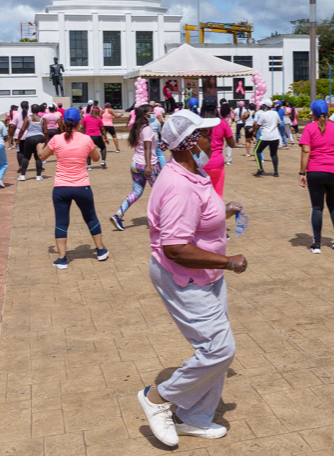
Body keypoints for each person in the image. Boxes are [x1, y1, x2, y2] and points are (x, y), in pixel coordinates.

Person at [138, 110, 246, 447]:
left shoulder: (191, 172)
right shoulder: (178, 186)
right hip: (184, 277)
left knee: (213, 348)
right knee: (218, 350)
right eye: (203, 134)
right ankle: (157, 398)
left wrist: (223, 211)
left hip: (206, 276)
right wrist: (228, 261)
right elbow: (175, 248)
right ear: (188, 142)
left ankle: (195, 417)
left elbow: (195, 218)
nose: (209, 139)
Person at [37, 107, 108, 267]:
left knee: (61, 222)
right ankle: (100, 250)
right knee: (91, 217)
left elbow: (42, 156)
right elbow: (96, 158)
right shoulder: (86, 139)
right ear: (80, 122)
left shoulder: (56, 139)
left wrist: (39, 148)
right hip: (82, 186)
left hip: (61, 187)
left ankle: (62, 259)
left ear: (62, 121)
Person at [299, 99, 334, 253]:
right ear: (328, 113)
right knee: (333, 203)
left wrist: (302, 172)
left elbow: (306, 151)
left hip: (316, 171)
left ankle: (317, 244)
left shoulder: (309, 128)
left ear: (312, 113)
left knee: (317, 207)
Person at [110, 105, 161, 231]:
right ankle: (161, 220)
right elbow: (147, 148)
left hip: (136, 165)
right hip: (148, 165)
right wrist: (149, 166)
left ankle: (118, 215)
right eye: (151, 112)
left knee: (136, 193)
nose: (153, 113)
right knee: (160, 193)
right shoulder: (147, 129)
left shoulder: (137, 128)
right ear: (144, 114)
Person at [203, 102, 236, 197]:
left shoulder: (199, 123)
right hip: (217, 164)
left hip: (201, 164)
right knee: (218, 196)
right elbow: (232, 144)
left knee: (202, 197)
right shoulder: (222, 123)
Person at [251, 99, 281, 177]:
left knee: (256, 151)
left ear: (265, 106)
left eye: (263, 105)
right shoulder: (275, 113)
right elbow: (278, 124)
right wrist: (273, 127)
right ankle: (276, 172)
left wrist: (255, 132)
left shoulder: (263, 114)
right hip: (275, 136)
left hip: (265, 136)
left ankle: (260, 169)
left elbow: (258, 125)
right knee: (274, 154)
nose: (262, 106)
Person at [17, 104, 46, 181]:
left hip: (29, 138)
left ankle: (22, 175)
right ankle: (38, 176)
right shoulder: (42, 119)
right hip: (40, 137)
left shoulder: (28, 118)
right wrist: (45, 141)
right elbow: (46, 131)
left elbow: (22, 129)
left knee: (26, 157)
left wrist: (18, 139)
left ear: (31, 110)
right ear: (39, 110)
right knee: (38, 157)